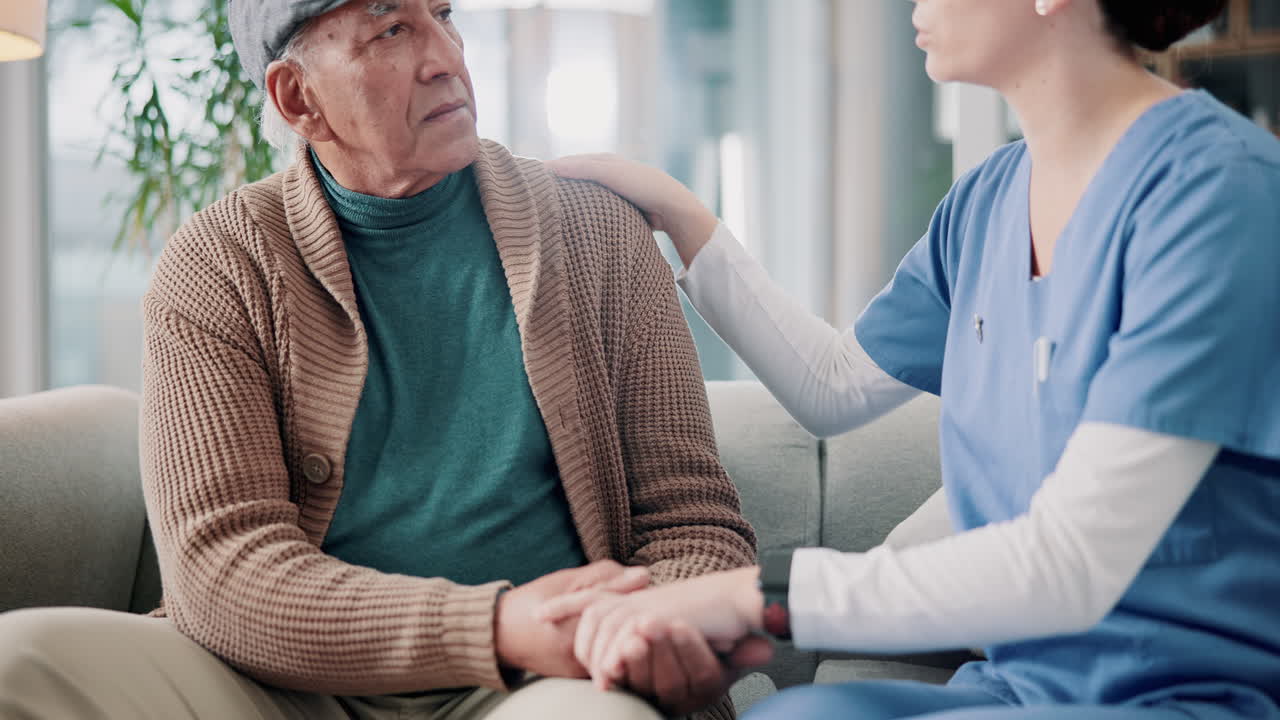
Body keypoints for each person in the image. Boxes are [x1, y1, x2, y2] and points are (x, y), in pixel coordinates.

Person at [0, 1, 759, 719]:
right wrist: (490, 623)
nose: (445, 58)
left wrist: (644, 629)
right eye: (391, 30)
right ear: (298, 98)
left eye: (444, 15)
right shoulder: (220, 263)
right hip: (280, 688)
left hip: (542, 682)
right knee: (22, 659)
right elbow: (221, 569)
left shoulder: (596, 232)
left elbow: (693, 527)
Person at [537, 0, 1280, 717]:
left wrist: (751, 595)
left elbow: (1072, 566)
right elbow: (831, 386)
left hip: (1191, 694)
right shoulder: (987, 201)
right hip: (1020, 687)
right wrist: (680, 215)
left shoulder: (1219, 195)